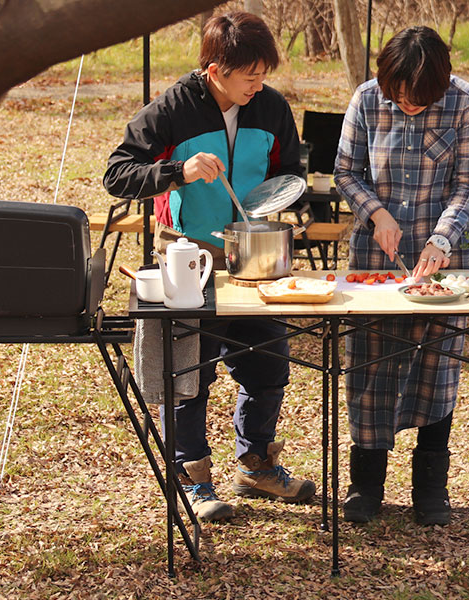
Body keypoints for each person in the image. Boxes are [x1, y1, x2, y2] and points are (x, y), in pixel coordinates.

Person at [103, 11, 315, 522]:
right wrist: (178, 171)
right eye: (250, 75)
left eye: (263, 74)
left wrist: (286, 200)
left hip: (255, 259)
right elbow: (117, 173)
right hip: (187, 257)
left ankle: (256, 466)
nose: (258, 85)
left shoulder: (270, 106)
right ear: (217, 69)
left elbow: (291, 170)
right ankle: (193, 481)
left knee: (268, 365)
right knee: (189, 374)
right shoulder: (173, 109)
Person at [333, 26, 469, 525]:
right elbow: (345, 171)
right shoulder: (366, 98)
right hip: (374, 260)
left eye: (420, 100)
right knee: (369, 366)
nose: (409, 105)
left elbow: (468, 184)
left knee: (436, 367)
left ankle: (431, 490)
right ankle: (365, 487)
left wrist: (442, 240)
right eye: (401, 97)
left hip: (443, 261)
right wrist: (376, 213)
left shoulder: (464, 102)